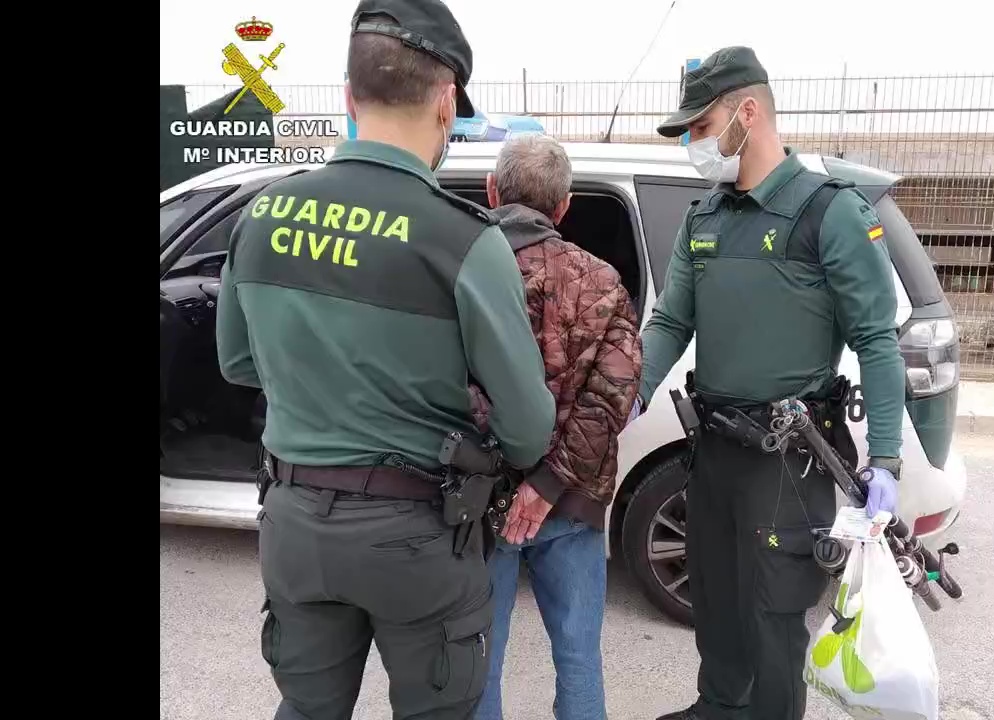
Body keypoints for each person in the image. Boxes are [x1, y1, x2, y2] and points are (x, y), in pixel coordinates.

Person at [214, 2, 556, 718]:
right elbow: (527, 426)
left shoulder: (265, 214)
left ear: (348, 96)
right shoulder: (464, 239)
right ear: (446, 101)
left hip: (295, 525)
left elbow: (239, 362)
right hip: (416, 537)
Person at [637, 46, 907, 720]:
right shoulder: (707, 218)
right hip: (714, 452)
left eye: (700, 127)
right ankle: (718, 705)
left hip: (786, 461)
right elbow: (671, 319)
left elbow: (876, 340)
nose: (695, 144)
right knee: (717, 601)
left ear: (746, 113)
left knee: (773, 617)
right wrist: (627, 394)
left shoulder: (829, 214)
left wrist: (887, 458)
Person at [465, 133, 643, 720]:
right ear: (564, 207)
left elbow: (449, 392)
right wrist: (551, 482)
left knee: (478, 661)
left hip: (476, 503)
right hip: (572, 505)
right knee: (578, 659)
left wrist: (518, 480)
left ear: (492, 191)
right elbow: (609, 400)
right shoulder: (603, 281)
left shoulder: (463, 274)